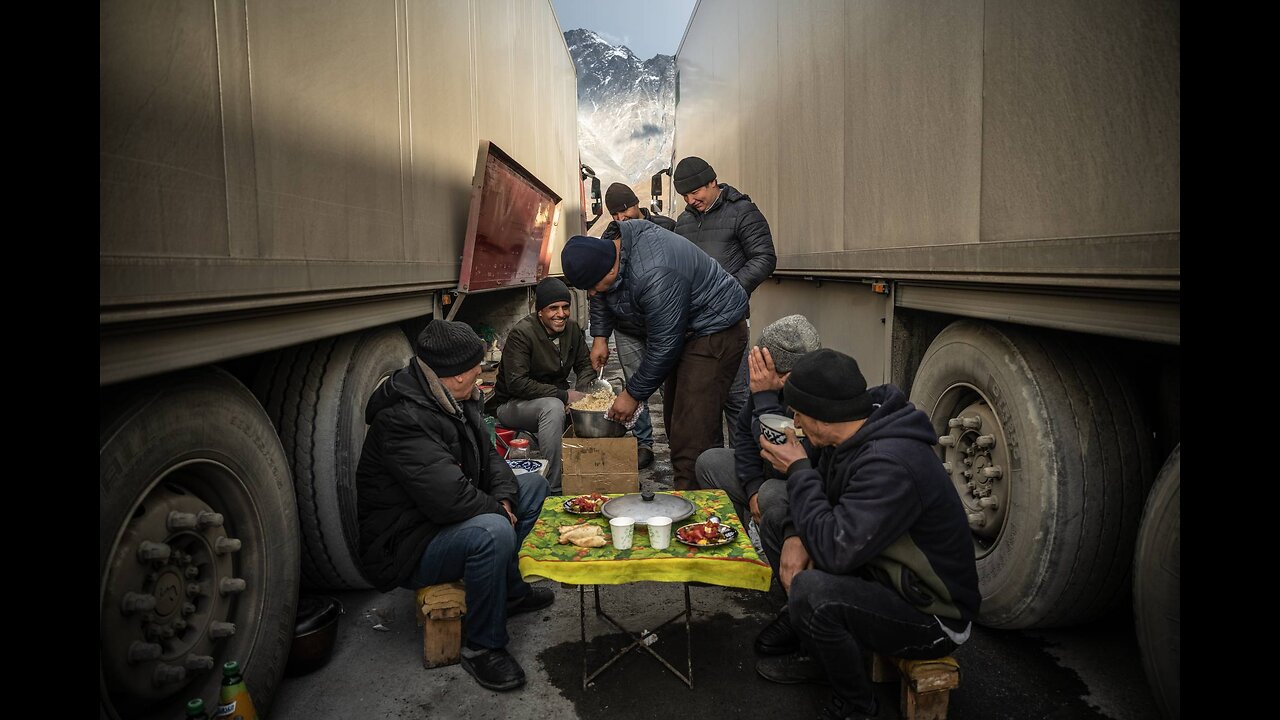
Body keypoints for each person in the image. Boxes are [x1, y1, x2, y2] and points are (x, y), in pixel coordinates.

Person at [749, 348, 981, 720]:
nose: (794, 423)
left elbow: (835, 552)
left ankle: (857, 706)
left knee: (813, 593)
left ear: (823, 417)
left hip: (931, 614)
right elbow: (820, 500)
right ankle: (817, 642)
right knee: (779, 517)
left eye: (798, 415)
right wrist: (795, 533)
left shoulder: (890, 462)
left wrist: (798, 468)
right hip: (878, 572)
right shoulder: (849, 433)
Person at [355, 319, 555, 692]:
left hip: (441, 520)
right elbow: (449, 500)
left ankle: (510, 591)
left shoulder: (455, 397)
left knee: (532, 486)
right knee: (493, 531)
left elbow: (492, 458)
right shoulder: (402, 419)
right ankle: (483, 646)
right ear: (448, 375)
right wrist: (498, 512)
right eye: (472, 367)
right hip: (408, 545)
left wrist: (504, 498)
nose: (481, 371)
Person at [561, 224, 748, 490]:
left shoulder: (655, 273)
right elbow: (602, 296)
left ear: (611, 269)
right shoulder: (609, 247)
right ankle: (692, 483)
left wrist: (633, 395)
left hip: (716, 328)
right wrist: (600, 337)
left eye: (591, 287)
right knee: (677, 419)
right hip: (686, 331)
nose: (591, 293)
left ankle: (697, 506)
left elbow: (664, 346)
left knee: (693, 429)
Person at [672, 156, 777, 438]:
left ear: (713, 182)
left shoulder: (742, 212)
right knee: (704, 400)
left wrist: (731, 291)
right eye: (685, 195)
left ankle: (745, 464)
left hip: (730, 323)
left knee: (737, 396)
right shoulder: (683, 222)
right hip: (695, 329)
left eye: (696, 192)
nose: (690, 200)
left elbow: (765, 257)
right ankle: (713, 467)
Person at [694, 314, 821, 544]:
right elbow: (743, 436)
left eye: (765, 366)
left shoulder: (816, 392)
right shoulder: (767, 386)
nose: (758, 372)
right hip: (766, 477)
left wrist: (765, 398)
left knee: (770, 492)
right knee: (709, 461)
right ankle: (741, 546)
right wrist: (752, 488)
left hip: (804, 490)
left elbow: (782, 456)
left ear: (785, 374)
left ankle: (778, 552)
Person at [590, 182, 678, 470]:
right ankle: (643, 443)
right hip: (627, 328)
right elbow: (599, 293)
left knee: (670, 384)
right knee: (633, 386)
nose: (620, 219)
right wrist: (600, 336)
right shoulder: (610, 238)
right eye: (614, 214)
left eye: (623, 210)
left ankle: (679, 441)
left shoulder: (668, 228)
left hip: (661, 324)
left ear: (636, 203)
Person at [492, 277, 595, 493]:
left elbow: (585, 365)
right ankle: (554, 488)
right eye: (553, 308)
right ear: (540, 312)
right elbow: (516, 383)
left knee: (593, 406)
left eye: (565, 307)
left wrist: (582, 396)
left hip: (552, 399)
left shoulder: (572, 330)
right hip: (513, 404)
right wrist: (563, 396)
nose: (561, 314)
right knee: (552, 408)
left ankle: (593, 475)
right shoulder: (522, 334)